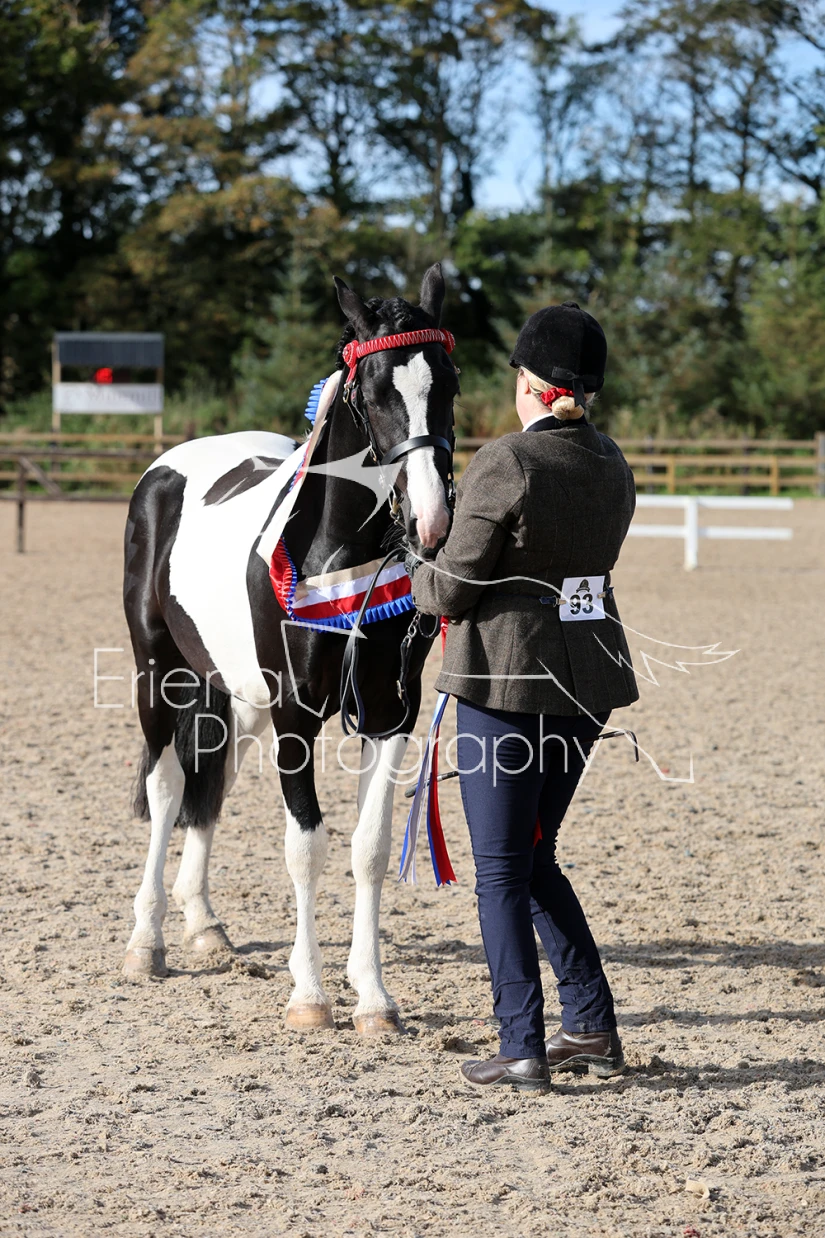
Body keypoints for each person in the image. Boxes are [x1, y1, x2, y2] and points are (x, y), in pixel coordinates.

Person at [407, 301, 639, 1092]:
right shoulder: (610, 460)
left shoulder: (507, 461)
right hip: (587, 683)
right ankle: (590, 1025)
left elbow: (451, 589)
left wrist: (418, 560)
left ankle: (520, 1046)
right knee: (535, 857)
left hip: (505, 681)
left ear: (531, 385)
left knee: (502, 872)